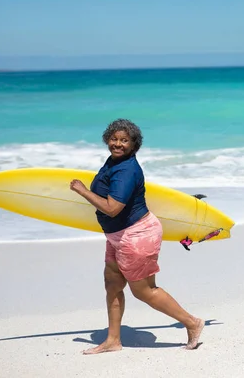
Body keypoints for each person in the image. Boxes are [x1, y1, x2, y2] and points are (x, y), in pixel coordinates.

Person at [70, 118, 204, 355]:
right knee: (112, 285)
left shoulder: (126, 169)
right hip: (116, 235)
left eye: (124, 140)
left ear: (134, 144)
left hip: (136, 236)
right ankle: (113, 340)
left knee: (144, 291)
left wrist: (83, 191)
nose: (118, 144)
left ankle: (192, 322)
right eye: (114, 139)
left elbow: (112, 208)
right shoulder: (113, 162)